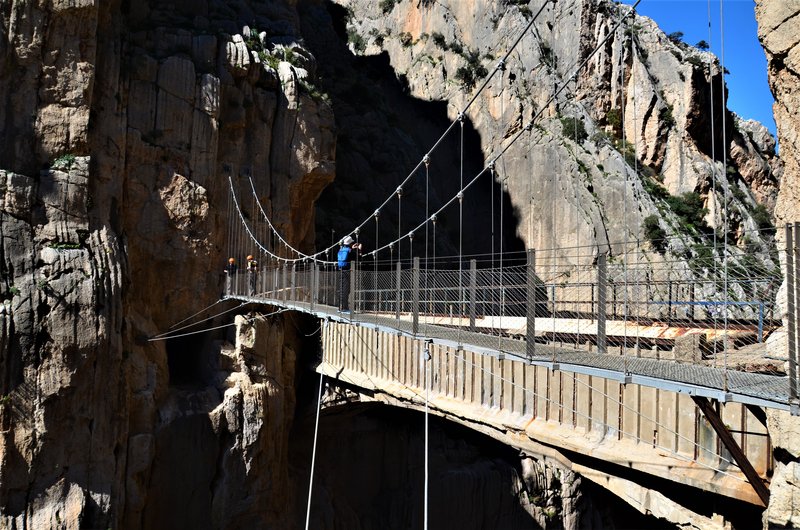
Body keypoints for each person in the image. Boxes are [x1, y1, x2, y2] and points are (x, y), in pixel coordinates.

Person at [336, 235, 361, 312]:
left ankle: (340, 307)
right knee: (346, 290)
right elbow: (359, 259)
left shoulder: (341, 249)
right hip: (347, 271)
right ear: (350, 243)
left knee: (342, 289)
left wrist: (352, 248)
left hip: (340, 271)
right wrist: (359, 250)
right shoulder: (350, 251)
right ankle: (345, 308)